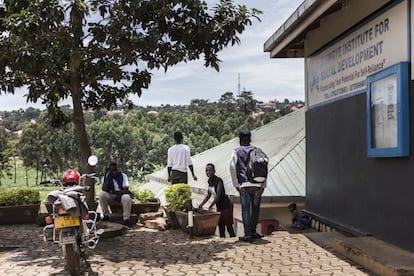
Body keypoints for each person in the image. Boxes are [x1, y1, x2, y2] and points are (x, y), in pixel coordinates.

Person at [230, 129, 266, 242]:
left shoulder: (236, 151)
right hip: (257, 184)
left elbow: (231, 166)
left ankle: (247, 234)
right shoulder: (257, 150)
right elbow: (264, 167)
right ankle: (254, 231)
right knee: (255, 209)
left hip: (244, 185)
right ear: (250, 138)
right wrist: (263, 186)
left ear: (239, 139)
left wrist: (236, 184)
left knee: (245, 209)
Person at [199, 163, 236, 238]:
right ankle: (224, 242)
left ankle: (234, 240)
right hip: (219, 206)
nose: (208, 172)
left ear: (214, 171)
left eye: (210, 170)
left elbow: (218, 196)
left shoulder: (219, 181)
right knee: (221, 226)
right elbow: (209, 195)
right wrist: (201, 204)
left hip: (226, 206)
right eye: (207, 170)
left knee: (229, 226)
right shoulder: (209, 181)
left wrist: (210, 206)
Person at [99, 162, 133, 227]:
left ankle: (126, 219)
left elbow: (126, 190)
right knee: (102, 194)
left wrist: (114, 192)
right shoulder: (106, 177)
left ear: (117, 170)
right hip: (111, 195)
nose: (114, 172)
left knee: (127, 197)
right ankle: (106, 215)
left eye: (115, 170)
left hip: (121, 195)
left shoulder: (123, 176)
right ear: (110, 171)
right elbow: (104, 189)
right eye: (112, 171)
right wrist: (106, 174)